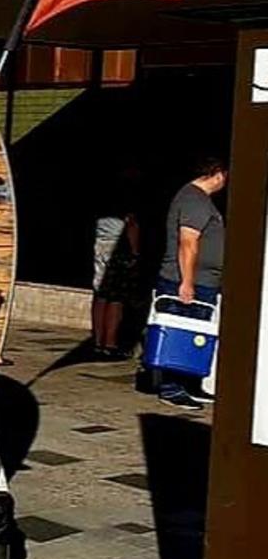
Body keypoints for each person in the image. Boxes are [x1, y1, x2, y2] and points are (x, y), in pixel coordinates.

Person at [153, 157, 227, 410]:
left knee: (196, 337)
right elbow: (188, 242)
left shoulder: (199, 200)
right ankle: (172, 388)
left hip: (204, 282)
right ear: (216, 174)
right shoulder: (194, 200)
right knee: (180, 335)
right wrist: (187, 282)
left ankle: (189, 383)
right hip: (186, 282)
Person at [91, 169, 141, 358]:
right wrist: (135, 252)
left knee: (100, 295)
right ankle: (110, 343)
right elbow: (131, 225)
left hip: (101, 244)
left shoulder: (102, 196)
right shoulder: (128, 197)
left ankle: (97, 340)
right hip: (119, 249)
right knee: (116, 298)